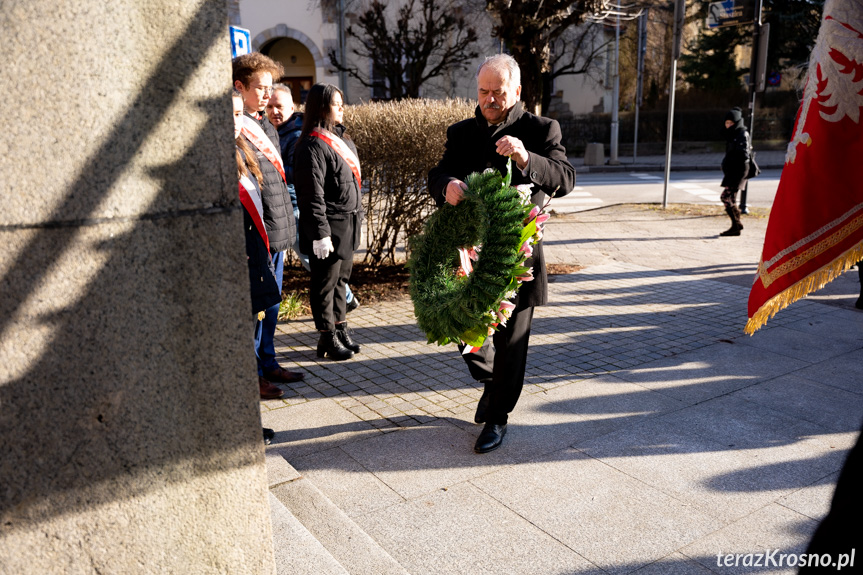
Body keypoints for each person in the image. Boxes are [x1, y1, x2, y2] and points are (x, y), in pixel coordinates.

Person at [428, 54, 576, 453]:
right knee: (462, 328)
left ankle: (497, 417)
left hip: (516, 258)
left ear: (516, 92)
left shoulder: (542, 129)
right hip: (467, 255)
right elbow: (437, 173)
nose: (490, 99)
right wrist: (447, 186)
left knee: (511, 345)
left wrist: (527, 158)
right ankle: (493, 384)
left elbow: (565, 179)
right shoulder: (461, 132)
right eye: (483, 91)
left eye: (499, 92)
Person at [233, 53, 304, 398]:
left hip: (275, 230)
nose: (266, 95)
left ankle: (269, 360)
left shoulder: (265, 125)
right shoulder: (236, 127)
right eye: (259, 88)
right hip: (255, 236)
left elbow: (277, 182)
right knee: (257, 309)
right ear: (239, 87)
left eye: (268, 88)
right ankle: (254, 373)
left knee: (272, 305)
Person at [266, 84, 360, 312]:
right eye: (269, 107)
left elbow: (296, 177)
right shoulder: (271, 131)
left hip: (297, 207)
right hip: (280, 206)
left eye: (279, 106)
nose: (274, 111)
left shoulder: (299, 136)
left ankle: (344, 302)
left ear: (292, 107)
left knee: (316, 262)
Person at [294, 83, 364, 361]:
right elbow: (312, 195)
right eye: (337, 104)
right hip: (328, 228)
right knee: (325, 283)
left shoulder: (342, 139)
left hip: (347, 224)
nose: (342, 109)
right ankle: (326, 336)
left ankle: (341, 328)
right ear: (322, 107)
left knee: (341, 281)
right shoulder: (311, 145)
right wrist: (320, 233)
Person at [232, 90, 280, 444]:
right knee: (239, 351)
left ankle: (249, 421)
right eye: (227, 115)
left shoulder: (241, 151)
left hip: (252, 264)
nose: (234, 122)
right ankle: (243, 423)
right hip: (234, 271)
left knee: (247, 346)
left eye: (237, 114)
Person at [718, 107, 751, 237]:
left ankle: (736, 224)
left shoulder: (742, 134)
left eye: (731, 123)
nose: (729, 125)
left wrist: (730, 163)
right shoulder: (733, 134)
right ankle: (735, 227)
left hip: (738, 171)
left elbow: (743, 154)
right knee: (731, 198)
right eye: (727, 123)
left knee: (725, 197)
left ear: (737, 122)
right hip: (733, 171)